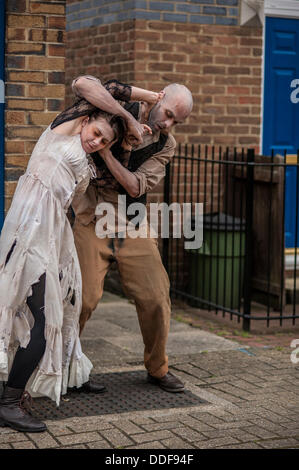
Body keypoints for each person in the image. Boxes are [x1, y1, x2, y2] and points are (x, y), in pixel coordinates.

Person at [0, 104, 134, 433]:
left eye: (105, 141)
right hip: (28, 237)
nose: (97, 141)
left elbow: (118, 188)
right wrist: (132, 113)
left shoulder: (89, 162)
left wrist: (119, 144)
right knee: (43, 321)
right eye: (96, 133)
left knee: (40, 316)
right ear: (84, 121)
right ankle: (8, 403)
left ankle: (14, 396)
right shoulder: (57, 134)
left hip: (50, 240)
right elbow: (90, 85)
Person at [70, 76, 193, 393]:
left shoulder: (167, 144)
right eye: (167, 113)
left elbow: (137, 186)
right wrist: (126, 120)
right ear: (159, 98)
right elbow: (85, 84)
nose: (168, 124)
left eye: (175, 121)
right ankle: (66, 367)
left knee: (155, 296)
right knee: (82, 299)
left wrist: (109, 154)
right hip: (93, 213)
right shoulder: (120, 108)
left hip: (132, 219)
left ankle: (157, 368)